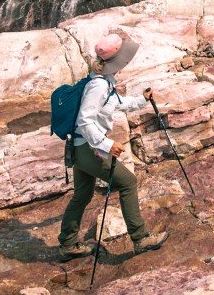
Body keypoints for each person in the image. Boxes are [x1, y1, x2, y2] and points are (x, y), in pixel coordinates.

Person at [57, 33, 169, 260]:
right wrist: (106, 144)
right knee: (128, 182)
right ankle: (140, 239)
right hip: (88, 149)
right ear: (116, 61)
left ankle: (68, 244)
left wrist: (141, 99)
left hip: (81, 147)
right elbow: (85, 121)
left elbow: (117, 103)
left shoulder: (103, 81)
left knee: (82, 194)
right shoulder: (98, 86)